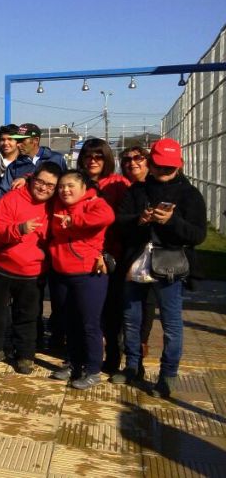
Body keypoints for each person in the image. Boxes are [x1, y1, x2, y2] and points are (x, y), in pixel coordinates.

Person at [112, 138, 206, 398]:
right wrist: (139, 220)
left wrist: (171, 221)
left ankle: (168, 375)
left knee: (171, 322)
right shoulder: (137, 191)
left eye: (169, 168)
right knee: (131, 318)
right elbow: (119, 223)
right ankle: (132, 366)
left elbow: (198, 235)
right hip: (135, 262)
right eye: (159, 166)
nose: (163, 172)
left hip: (170, 266)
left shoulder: (189, 194)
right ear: (150, 164)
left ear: (180, 165)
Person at [0, 162, 62, 374]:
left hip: (33, 271)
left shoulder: (57, 204)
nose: (43, 188)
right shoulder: (12, 198)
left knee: (28, 316)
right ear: (32, 180)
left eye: (50, 185)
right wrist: (19, 229)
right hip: (1, 265)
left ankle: (25, 356)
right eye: (40, 182)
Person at [47, 170, 115, 390]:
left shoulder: (95, 203)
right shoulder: (57, 203)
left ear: (84, 187)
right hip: (61, 272)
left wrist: (74, 220)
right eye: (61, 186)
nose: (65, 190)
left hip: (88, 275)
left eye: (70, 186)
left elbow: (107, 217)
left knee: (89, 324)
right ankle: (74, 363)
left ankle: (93, 369)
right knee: (69, 323)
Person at [76, 138, 131, 374]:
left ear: (107, 159)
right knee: (85, 310)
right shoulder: (77, 183)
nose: (92, 161)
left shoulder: (118, 184)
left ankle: (114, 355)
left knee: (111, 309)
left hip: (112, 254)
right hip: (82, 255)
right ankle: (83, 353)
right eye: (88, 156)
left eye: (98, 156)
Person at [119, 145, 156, 368]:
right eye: (127, 160)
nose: (132, 163)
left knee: (148, 305)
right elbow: (121, 220)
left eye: (138, 158)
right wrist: (138, 220)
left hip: (158, 256)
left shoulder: (160, 186)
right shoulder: (130, 191)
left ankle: (141, 347)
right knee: (131, 309)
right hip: (131, 255)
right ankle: (132, 358)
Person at [0, 123, 67, 193]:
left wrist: (27, 179)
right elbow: (3, 193)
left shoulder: (57, 159)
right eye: (17, 141)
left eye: (22, 140)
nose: (18, 144)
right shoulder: (13, 166)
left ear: (36, 140)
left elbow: (66, 183)